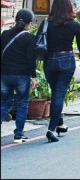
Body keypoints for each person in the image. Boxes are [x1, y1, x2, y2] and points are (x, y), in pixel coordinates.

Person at [38, 0, 80, 143]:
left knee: (56, 93)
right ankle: (51, 129)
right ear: (69, 7)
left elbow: (38, 41)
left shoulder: (46, 23)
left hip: (49, 61)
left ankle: (60, 124)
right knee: (59, 95)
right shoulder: (74, 25)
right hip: (66, 60)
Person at [1, 9, 38, 143]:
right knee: (22, 103)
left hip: (4, 74)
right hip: (22, 75)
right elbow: (30, 59)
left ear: (15, 20)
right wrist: (33, 76)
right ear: (29, 24)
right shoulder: (30, 38)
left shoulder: (4, 34)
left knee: (4, 102)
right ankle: (19, 134)